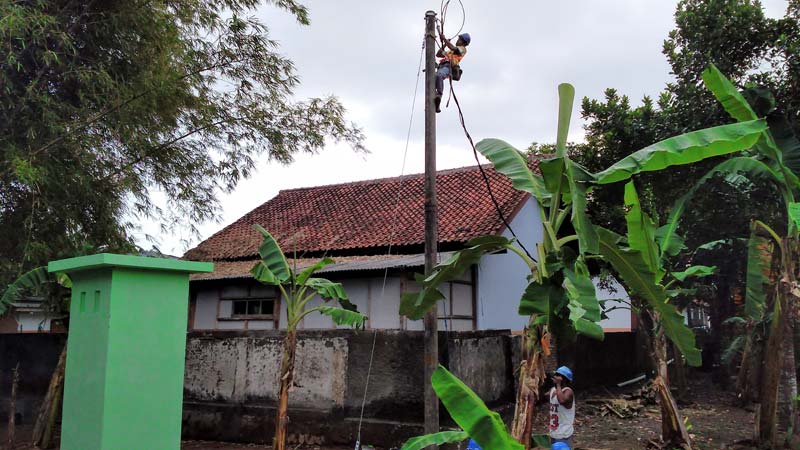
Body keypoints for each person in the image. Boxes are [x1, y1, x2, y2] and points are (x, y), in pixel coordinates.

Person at [434, 31, 471, 113]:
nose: (457, 40)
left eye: (459, 39)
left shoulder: (462, 49)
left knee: (439, 76)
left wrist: (445, 40)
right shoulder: (450, 52)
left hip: (448, 67)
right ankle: (436, 103)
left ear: (463, 42)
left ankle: (439, 96)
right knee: (435, 78)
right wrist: (444, 44)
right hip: (441, 66)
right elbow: (439, 54)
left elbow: (453, 48)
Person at [549, 366, 575, 448]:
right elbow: (541, 397)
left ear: (563, 379)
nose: (555, 377)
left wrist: (558, 385)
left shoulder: (568, 392)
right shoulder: (553, 390)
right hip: (553, 433)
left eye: (557, 375)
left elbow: (562, 400)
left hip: (564, 434)